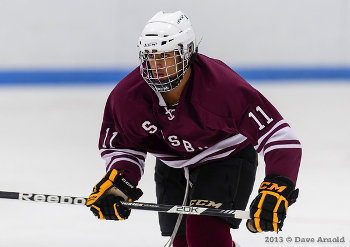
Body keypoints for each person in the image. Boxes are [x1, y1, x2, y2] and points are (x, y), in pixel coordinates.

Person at [85, 10, 302, 247]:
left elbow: (280, 138)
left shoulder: (223, 88)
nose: (156, 65)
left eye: (166, 56)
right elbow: (122, 144)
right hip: (171, 166)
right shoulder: (127, 97)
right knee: (180, 243)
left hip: (225, 158)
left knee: (204, 235)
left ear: (187, 53)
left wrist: (277, 186)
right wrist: (121, 180)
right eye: (149, 56)